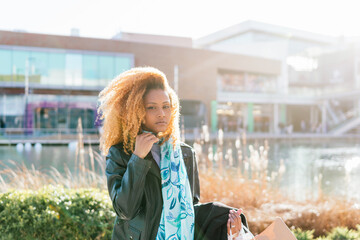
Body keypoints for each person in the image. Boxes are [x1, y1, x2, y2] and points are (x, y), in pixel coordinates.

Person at [97, 67, 248, 240]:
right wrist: (137, 159)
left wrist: (228, 227)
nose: (161, 114)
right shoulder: (121, 153)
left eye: (166, 106)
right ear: (136, 111)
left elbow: (189, 210)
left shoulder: (184, 153)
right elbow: (125, 210)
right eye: (151, 107)